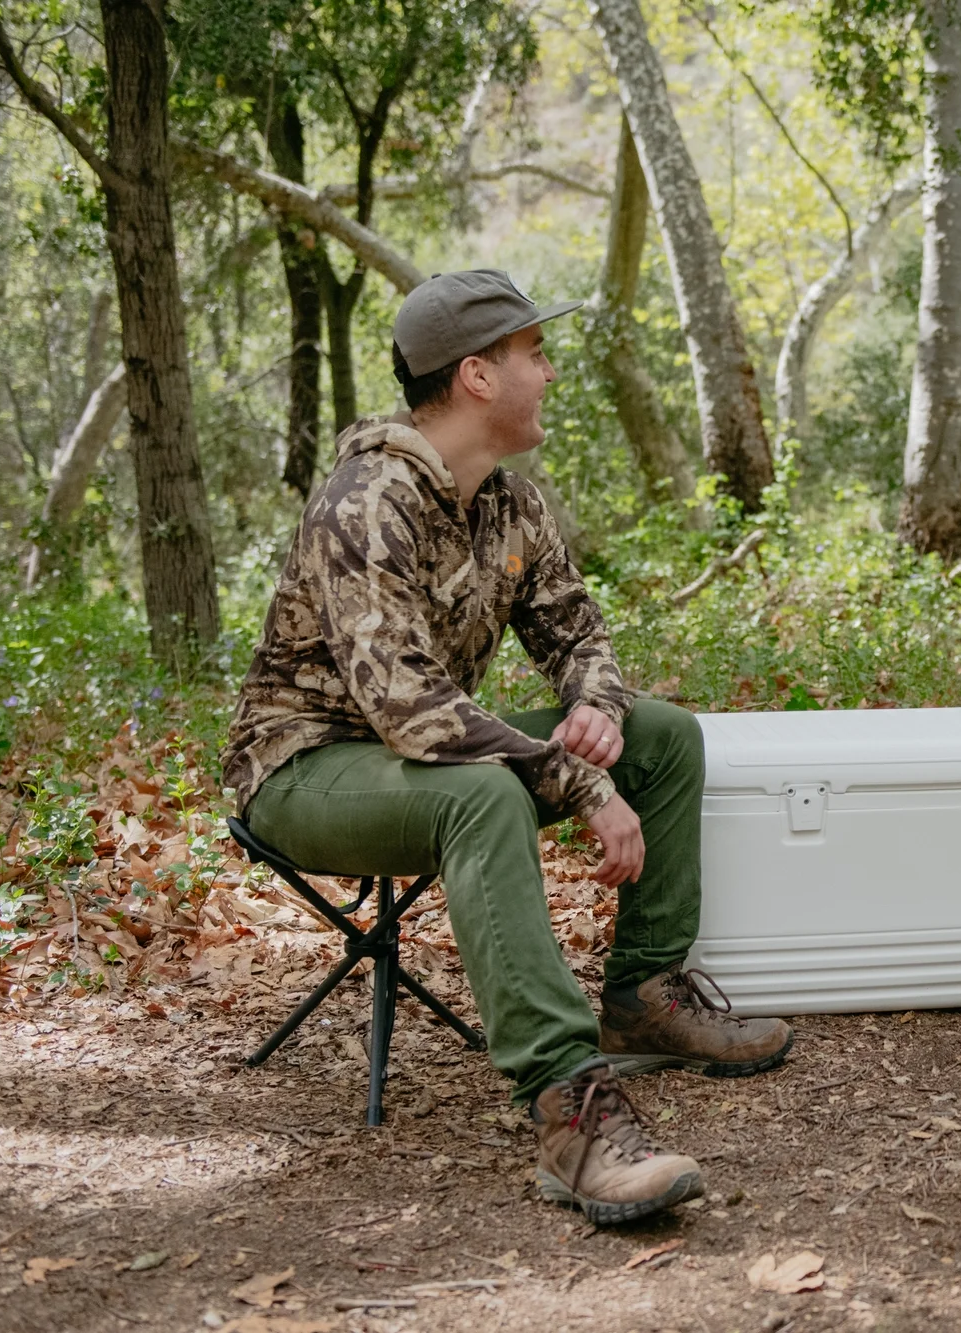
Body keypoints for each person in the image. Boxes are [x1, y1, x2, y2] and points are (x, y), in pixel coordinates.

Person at [220, 270, 792, 1225]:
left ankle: (643, 999)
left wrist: (597, 707)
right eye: (535, 354)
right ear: (477, 376)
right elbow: (411, 711)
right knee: (482, 793)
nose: (550, 372)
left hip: (411, 756)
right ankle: (572, 1111)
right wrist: (579, 783)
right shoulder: (366, 502)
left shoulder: (510, 504)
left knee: (661, 735)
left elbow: (579, 633)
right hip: (304, 768)